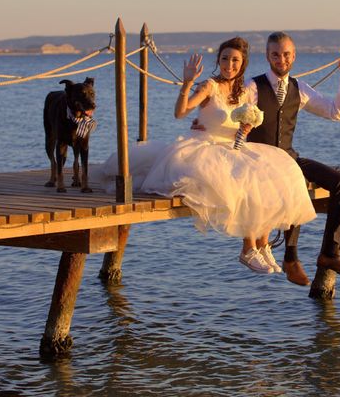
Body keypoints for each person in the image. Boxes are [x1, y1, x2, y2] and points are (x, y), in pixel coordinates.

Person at [96, 37, 316, 274]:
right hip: (205, 147)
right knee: (246, 180)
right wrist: (188, 82)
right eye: (225, 59)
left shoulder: (243, 91)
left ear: (242, 64)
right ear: (218, 60)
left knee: (276, 171)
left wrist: (245, 128)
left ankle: (263, 244)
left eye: (235, 60)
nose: (229, 65)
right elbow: (180, 112)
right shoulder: (210, 86)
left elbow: (240, 126)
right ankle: (247, 248)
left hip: (231, 147)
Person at [245, 31, 340, 286]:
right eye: (275, 54)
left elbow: (336, 112)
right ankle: (291, 257)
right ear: (267, 56)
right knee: (294, 179)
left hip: (288, 156)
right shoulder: (253, 87)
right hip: (260, 160)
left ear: (294, 56)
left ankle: (330, 254)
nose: (281, 59)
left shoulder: (300, 88)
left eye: (286, 54)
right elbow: (233, 118)